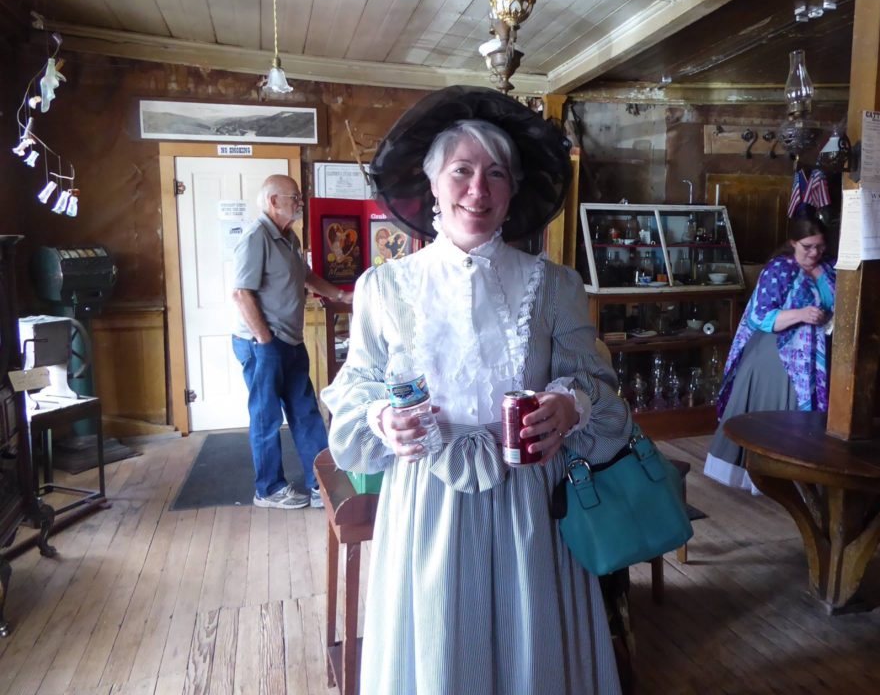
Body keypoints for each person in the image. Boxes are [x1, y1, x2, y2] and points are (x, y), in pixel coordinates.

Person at [321, 86, 630, 694]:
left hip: (530, 506)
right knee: (439, 648)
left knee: (529, 651)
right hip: (426, 504)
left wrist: (569, 405)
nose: (478, 190)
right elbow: (356, 389)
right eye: (461, 171)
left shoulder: (555, 285)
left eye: (495, 174)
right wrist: (383, 417)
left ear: (513, 191)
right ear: (432, 182)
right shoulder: (384, 288)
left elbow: (600, 384)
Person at [232, 174, 351, 509]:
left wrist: (340, 294)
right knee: (266, 416)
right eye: (294, 197)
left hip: (290, 341)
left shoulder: (288, 237)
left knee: (306, 411)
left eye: (299, 197)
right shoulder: (257, 237)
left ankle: (321, 483)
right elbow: (241, 293)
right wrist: (265, 341)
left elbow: (306, 276)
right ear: (273, 201)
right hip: (263, 344)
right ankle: (268, 490)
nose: (300, 202)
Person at [704, 216, 836, 492]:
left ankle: (807, 478)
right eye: (807, 247)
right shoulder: (780, 269)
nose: (814, 253)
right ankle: (772, 477)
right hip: (778, 355)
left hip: (819, 356)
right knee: (778, 419)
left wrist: (824, 281)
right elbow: (759, 317)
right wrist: (801, 314)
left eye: (819, 248)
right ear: (793, 243)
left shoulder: (827, 269)